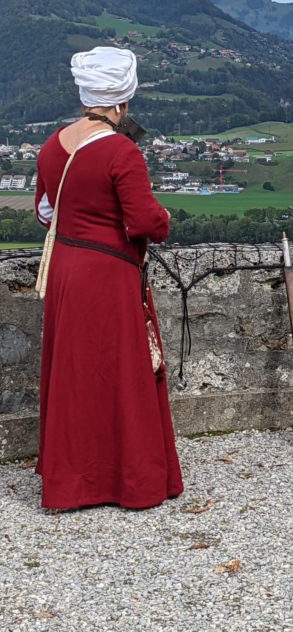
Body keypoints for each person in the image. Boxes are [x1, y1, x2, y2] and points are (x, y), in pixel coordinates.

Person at [33, 46, 183, 510]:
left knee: (74, 374)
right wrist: (165, 217)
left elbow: (45, 213)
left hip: (65, 269)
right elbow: (143, 223)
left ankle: (72, 480)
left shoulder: (54, 143)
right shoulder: (121, 150)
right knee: (122, 372)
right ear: (122, 101)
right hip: (109, 274)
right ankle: (128, 479)